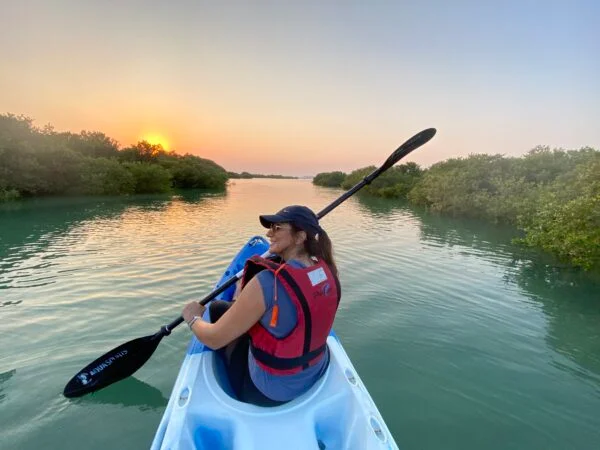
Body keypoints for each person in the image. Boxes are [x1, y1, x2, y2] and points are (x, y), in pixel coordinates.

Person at [182, 205, 341, 406]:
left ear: (300, 237)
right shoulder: (327, 270)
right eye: (270, 228)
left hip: (271, 391)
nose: (269, 234)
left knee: (215, 310)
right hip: (315, 371)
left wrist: (193, 318)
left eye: (277, 228)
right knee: (224, 310)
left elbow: (213, 339)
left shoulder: (267, 281)